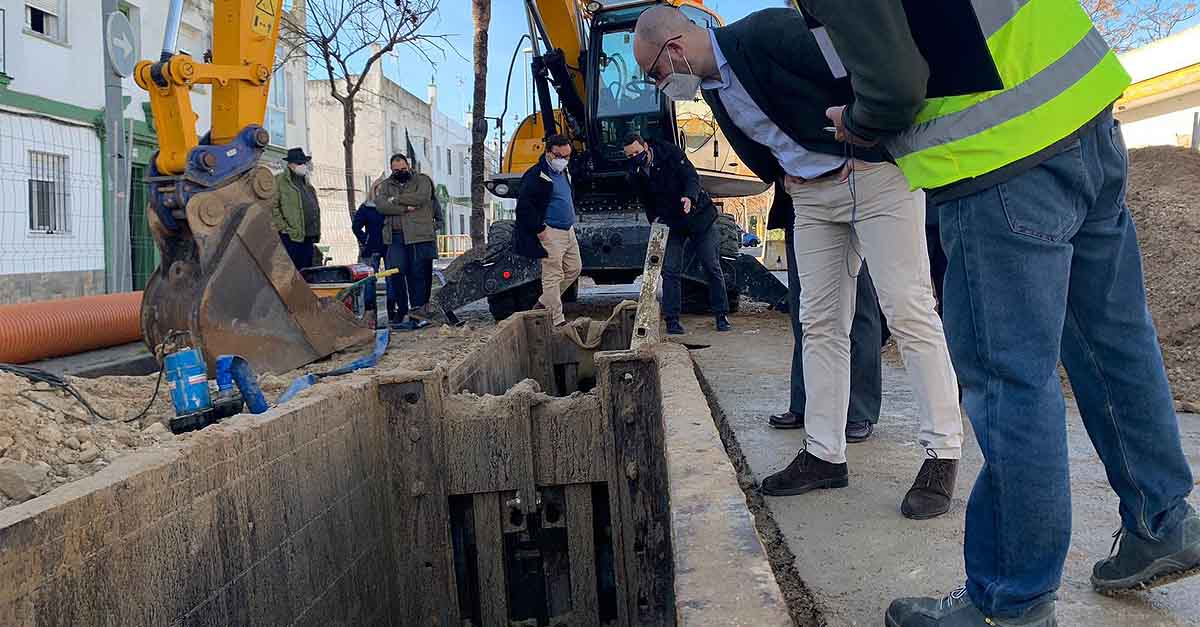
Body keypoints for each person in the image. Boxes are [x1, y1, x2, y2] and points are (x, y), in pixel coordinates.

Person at [798, 1, 1200, 624]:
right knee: (1113, 339)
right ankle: (1163, 519)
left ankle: (1010, 599)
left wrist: (858, 120)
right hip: (1083, 114)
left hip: (999, 154)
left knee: (1012, 382)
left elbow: (894, 84)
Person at [634, 6, 963, 520]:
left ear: (673, 47)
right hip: (810, 199)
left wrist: (871, 129)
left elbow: (859, 64)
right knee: (819, 325)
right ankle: (824, 453)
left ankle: (942, 453)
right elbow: (765, 145)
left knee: (909, 310)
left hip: (872, 176)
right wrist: (788, 176)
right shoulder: (715, 90)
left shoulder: (766, 31)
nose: (660, 84)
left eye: (654, 72)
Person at [623, 132, 731, 334]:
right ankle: (672, 320)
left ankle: (721, 315)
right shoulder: (635, 173)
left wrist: (689, 197)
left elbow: (691, 176)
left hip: (699, 218)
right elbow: (646, 200)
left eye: (636, 153)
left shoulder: (670, 153)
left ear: (645, 147)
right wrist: (653, 218)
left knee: (711, 265)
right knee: (671, 270)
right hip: (671, 223)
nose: (634, 157)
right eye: (629, 156)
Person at [514, 134, 582, 328]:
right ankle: (556, 319)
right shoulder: (535, 175)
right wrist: (540, 230)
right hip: (550, 232)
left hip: (568, 231)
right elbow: (525, 207)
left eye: (567, 156)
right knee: (553, 275)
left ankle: (544, 302)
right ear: (548, 153)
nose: (564, 160)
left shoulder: (564, 173)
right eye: (560, 156)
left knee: (574, 268)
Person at [375, 154, 444, 331]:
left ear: (409, 165)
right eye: (396, 170)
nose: (400, 172)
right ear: (391, 169)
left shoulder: (422, 180)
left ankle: (419, 312)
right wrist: (405, 208)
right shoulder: (386, 185)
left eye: (402, 169)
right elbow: (381, 206)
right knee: (396, 274)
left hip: (419, 236)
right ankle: (402, 310)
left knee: (418, 275)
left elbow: (421, 198)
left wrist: (395, 200)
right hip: (396, 237)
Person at [273, 147, 321, 270]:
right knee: (293, 274)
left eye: (304, 163)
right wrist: (284, 228)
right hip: (292, 237)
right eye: (299, 163)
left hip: (308, 236)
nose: (303, 165)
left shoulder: (306, 183)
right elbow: (273, 207)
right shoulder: (279, 181)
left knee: (307, 274)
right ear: (290, 164)